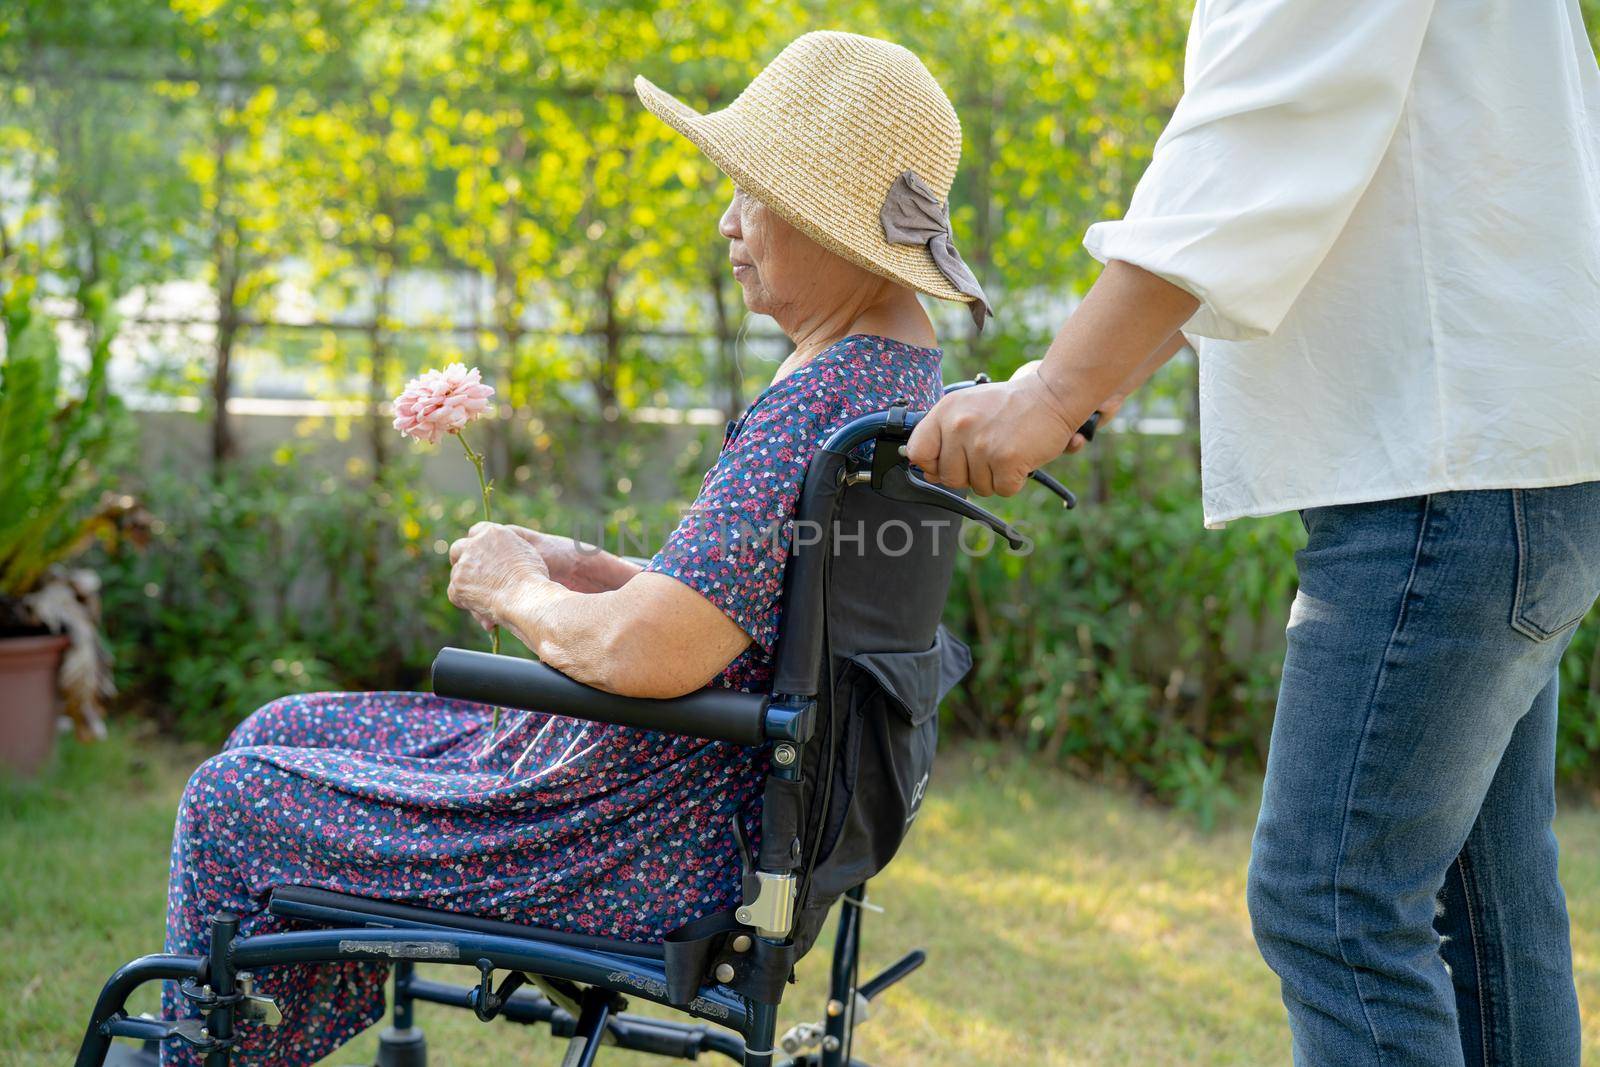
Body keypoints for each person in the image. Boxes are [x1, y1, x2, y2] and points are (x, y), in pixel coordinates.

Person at [157, 31, 987, 1065]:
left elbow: (653, 656)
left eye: (750, 192)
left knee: (231, 802)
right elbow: (751, 620)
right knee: (280, 723)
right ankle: (260, 1043)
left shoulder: (817, 402)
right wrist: (586, 565)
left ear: (833, 223)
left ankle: (211, 1052)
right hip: (694, 805)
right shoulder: (898, 383)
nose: (726, 221)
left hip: (630, 834)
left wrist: (516, 589)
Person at [906, 2, 1600, 1064]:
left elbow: (1250, 146)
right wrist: (1078, 396)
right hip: (1505, 457)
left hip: (1443, 469)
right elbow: (1285, 185)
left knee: (1331, 902)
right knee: (1488, 914)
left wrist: (1052, 391)